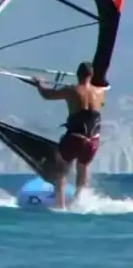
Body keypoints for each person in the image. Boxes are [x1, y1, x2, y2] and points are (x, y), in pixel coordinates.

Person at [32, 61, 104, 208]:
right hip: (93, 141)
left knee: (60, 168)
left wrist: (40, 84)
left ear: (77, 75)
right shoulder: (100, 92)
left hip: (75, 138)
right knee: (83, 167)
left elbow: (47, 95)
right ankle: (80, 202)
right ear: (91, 75)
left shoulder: (72, 90)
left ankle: (60, 205)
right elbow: (100, 105)